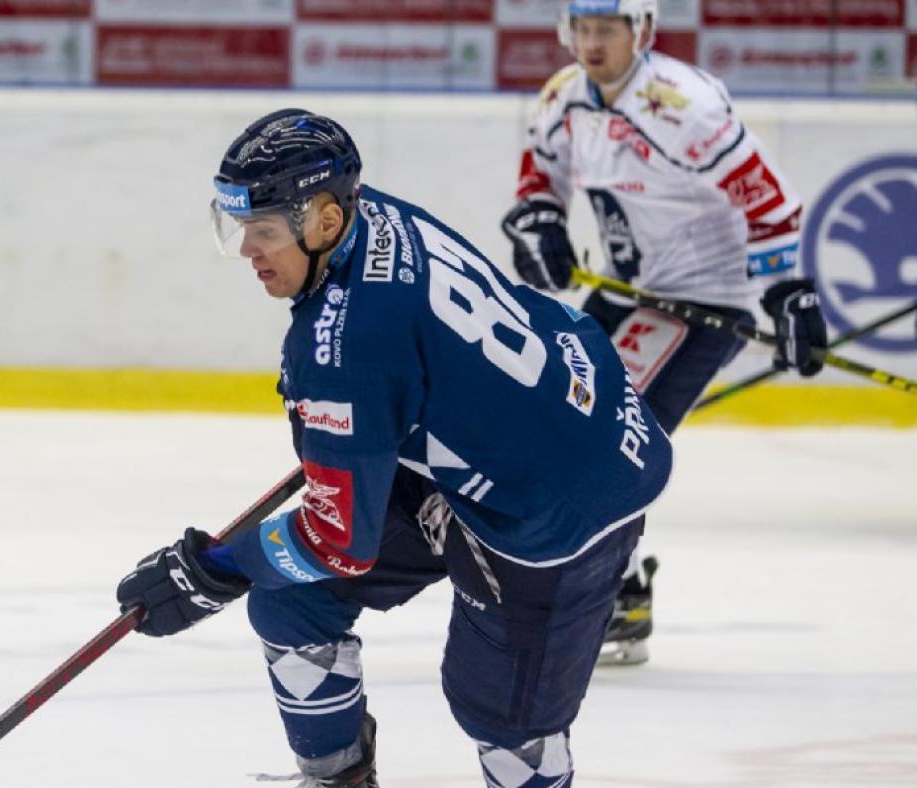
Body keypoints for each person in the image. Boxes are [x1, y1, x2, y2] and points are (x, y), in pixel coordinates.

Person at [115, 109, 674, 787]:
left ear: (325, 221)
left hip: (563, 499)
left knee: (507, 725)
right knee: (293, 601)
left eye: (264, 232)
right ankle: (338, 779)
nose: (247, 251)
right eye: (240, 228)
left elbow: (337, 539)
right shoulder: (369, 213)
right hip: (546, 424)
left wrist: (217, 568)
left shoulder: (343, 348)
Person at [500, 0, 828, 664]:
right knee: (546, 412)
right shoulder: (562, 96)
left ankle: (614, 597)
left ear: (641, 30)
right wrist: (540, 222)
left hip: (705, 298)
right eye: (582, 29)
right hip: (628, 288)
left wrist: (788, 293)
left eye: (607, 30)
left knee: (609, 440)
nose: (592, 42)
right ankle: (607, 586)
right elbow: (541, 175)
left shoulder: (685, 107)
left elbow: (769, 201)